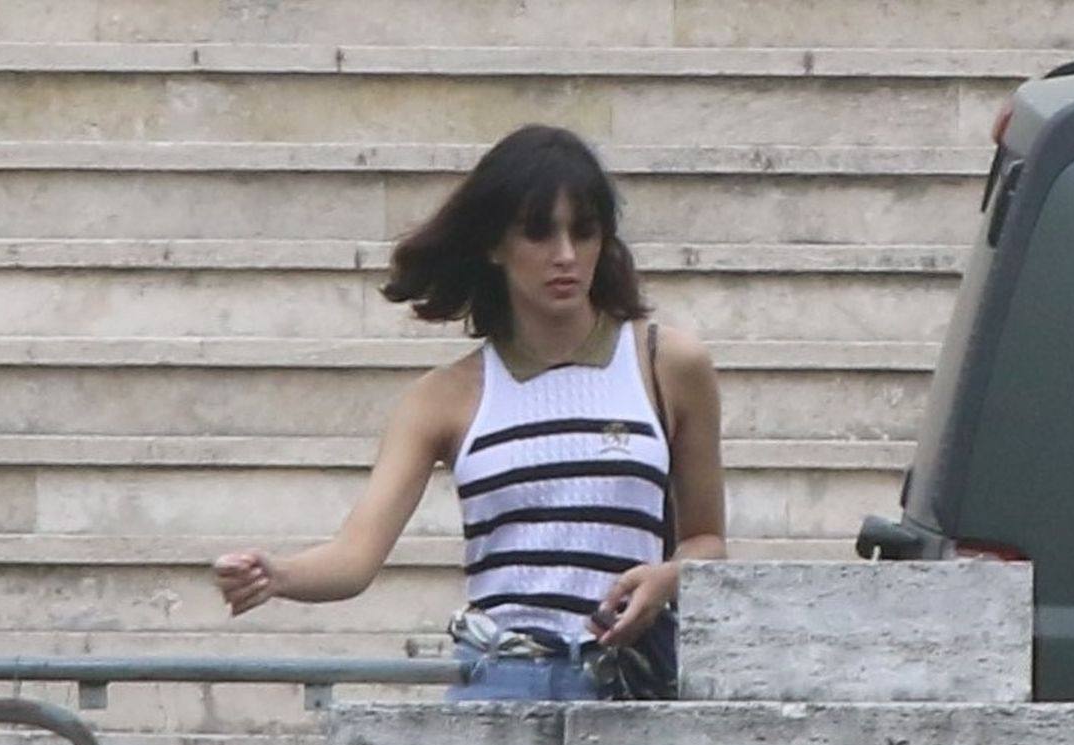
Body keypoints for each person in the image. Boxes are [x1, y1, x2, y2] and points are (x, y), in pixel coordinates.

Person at [213, 124, 726, 699]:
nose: (565, 256)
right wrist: (276, 575)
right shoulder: (444, 397)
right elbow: (356, 557)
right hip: (500, 679)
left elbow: (707, 539)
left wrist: (666, 579)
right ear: (494, 245)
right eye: (538, 233)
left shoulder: (665, 364)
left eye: (583, 232)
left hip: (626, 681)